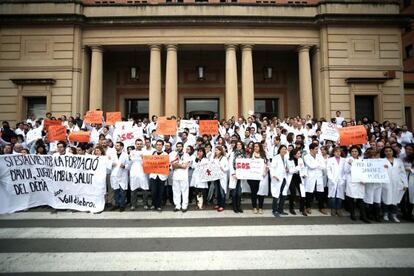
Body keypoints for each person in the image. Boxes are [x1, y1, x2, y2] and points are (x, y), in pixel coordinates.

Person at [381, 146, 408, 223]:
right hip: (386, 183)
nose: (388, 152)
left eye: (390, 151)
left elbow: (403, 173)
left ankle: (394, 215)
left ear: (393, 152)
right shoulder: (382, 161)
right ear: (384, 152)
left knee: (395, 200)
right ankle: (385, 214)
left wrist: (405, 184)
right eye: (386, 151)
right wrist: (383, 168)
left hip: (397, 183)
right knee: (386, 199)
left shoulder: (399, 161)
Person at [344, 145, 367, 221]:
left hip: (360, 182)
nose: (354, 153)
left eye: (356, 151)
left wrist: (364, 179)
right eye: (352, 151)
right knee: (351, 199)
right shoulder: (348, 160)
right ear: (350, 152)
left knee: (360, 199)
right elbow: (346, 171)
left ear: (358, 152)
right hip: (352, 181)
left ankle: (363, 216)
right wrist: (350, 165)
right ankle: (352, 214)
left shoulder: (362, 160)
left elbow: (365, 171)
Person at [304, 143, 327, 215]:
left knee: (320, 193)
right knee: (309, 192)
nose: (318, 150)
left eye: (318, 149)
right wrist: (318, 164)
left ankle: (321, 207)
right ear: (311, 149)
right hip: (310, 177)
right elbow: (311, 166)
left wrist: (316, 164)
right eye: (316, 149)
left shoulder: (319, 156)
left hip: (319, 176)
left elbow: (323, 166)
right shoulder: (306, 156)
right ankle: (308, 207)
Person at [247, 142, 268, 215]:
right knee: (253, 193)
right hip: (252, 177)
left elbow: (267, 165)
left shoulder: (264, 155)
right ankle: (254, 207)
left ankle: (261, 207)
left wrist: (265, 171)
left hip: (261, 177)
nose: (256, 148)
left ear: (260, 147)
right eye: (255, 146)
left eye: (257, 146)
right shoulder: (250, 155)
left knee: (261, 193)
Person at [129, 138, 150, 211]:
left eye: (140, 144)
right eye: (138, 144)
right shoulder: (132, 152)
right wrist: (140, 158)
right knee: (133, 189)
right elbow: (132, 159)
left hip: (143, 172)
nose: (139, 145)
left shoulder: (146, 152)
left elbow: (147, 162)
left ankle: (145, 204)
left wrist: (143, 158)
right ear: (135, 144)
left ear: (143, 144)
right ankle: (133, 205)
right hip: (134, 172)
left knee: (145, 189)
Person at [362, 148, 382, 222]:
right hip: (368, 184)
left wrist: (385, 168)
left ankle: (377, 215)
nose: (374, 157)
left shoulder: (381, 162)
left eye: (376, 156)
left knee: (377, 199)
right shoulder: (365, 162)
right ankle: (368, 214)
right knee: (368, 199)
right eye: (372, 156)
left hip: (378, 183)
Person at [149, 140, 168, 212]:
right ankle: (154, 204)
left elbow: (167, 165)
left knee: (160, 191)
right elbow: (149, 163)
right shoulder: (153, 154)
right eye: (157, 144)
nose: (158, 146)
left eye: (160, 145)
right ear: (156, 146)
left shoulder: (165, 155)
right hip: (153, 175)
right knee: (153, 191)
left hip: (162, 176)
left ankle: (159, 205)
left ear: (162, 146)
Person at [171, 142, 191, 212]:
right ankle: (177, 205)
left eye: (180, 146)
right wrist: (181, 164)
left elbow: (185, 166)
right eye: (177, 146)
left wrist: (178, 165)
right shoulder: (173, 155)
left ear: (182, 147)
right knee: (176, 191)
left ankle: (184, 206)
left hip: (184, 176)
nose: (178, 147)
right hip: (176, 176)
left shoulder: (187, 155)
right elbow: (173, 166)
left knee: (185, 191)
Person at [286, 148, 307, 216]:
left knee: (302, 194)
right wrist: (298, 167)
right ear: (294, 154)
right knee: (293, 193)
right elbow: (290, 171)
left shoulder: (300, 159)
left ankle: (302, 209)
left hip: (299, 177)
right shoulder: (289, 160)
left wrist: (304, 174)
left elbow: (303, 168)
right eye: (298, 153)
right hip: (292, 178)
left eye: (300, 153)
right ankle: (291, 208)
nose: (299, 155)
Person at [109, 142, 129, 212]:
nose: (116, 147)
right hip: (114, 175)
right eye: (115, 145)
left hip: (122, 176)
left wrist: (124, 166)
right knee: (116, 191)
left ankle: (122, 205)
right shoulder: (112, 155)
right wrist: (111, 164)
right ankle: (117, 204)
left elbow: (129, 165)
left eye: (118, 146)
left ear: (121, 147)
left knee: (122, 191)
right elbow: (108, 163)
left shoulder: (125, 155)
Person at [326, 147, 346, 217]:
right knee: (333, 196)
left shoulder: (344, 160)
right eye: (336, 151)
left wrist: (343, 179)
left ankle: (339, 209)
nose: (338, 153)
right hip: (333, 180)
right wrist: (331, 179)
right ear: (333, 152)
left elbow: (345, 171)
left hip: (341, 180)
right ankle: (333, 208)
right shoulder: (330, 160)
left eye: (339, 152)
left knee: (340, 196)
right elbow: (328, 170)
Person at [270, 145, 289, 217]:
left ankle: (280, 209)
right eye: (283, 149)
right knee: (276, 194)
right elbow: (272, 168)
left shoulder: (285, 158)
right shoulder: (276, 157)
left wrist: (286, 169)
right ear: (280, 150)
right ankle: (274, 210)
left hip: (284, 178)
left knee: (283, 194)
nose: (284, 150)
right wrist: (274, 176)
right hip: (277, 178)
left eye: (285, 149)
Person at [229, 140, 246, 213]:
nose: (239, 146)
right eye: (237, 144)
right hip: (234, 174)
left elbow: (246, 164)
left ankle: (239, 206)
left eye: (240, 144)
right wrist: (233, 173)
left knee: (239, 192)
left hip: (241, 175)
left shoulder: (244, 154)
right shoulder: (233, 153)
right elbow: (230, 163)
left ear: (242, 146)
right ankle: (234, 207)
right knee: (234, 192)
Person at [212, 145, 229, 212]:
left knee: (222, 191)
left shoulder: (224, 158)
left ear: (220, 151)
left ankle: (222, 205)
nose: (216, 151)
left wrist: (223, 168)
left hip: (222, 176)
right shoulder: (214, 158)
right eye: (215, 150)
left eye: (217, 150)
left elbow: (227, 167)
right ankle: (218, 204)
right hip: (216, 176)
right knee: (217, 191)